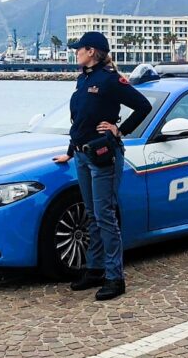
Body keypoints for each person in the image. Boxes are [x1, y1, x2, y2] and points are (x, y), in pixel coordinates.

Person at [52, 31, 152, 301]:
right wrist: (69, 153)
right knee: (91, 214)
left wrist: (119, 130)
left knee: (105, 216)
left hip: (104, 156)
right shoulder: (83, 79)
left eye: (79, 49)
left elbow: (143, 106)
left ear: (92, 51)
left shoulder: (110, 80)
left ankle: (114, 277)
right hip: (83, 156)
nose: (75, 52)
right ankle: (94, 269)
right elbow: (80, 122)